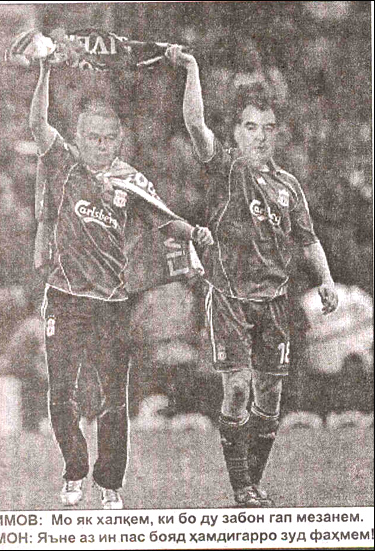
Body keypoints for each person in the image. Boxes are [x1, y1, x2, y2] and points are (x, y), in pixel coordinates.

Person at [11, 32, 213, 510]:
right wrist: (45, 69)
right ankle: (74, 470)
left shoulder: (130, 180)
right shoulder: (64, 162)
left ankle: (109, 483)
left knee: (113, 399)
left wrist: (196, 232)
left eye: (108, 139)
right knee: (60, 394)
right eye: (93, 138)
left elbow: (165, 218)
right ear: (79, 138)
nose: (100, 147)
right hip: (65, 297)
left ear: (119, 141)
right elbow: (37, 123)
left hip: (112, 303)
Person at [165, 46, 339, 508]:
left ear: (276, 133)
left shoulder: (289, 187)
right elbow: (195, 124)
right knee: (237, 386)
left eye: (267, 128)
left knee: (270, 394)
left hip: (275, 301)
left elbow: (308, 240)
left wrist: (325, 280)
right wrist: (192, 69)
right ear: (236, 133)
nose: (259, 137)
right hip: (229, 296)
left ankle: (251, 485)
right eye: (250, 127)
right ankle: (242, 486)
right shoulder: (226, 168)